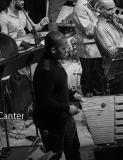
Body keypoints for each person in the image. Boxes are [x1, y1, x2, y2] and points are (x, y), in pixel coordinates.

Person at [33, 31, 82, 160]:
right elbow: (44, 100)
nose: (67, 51)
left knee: (73, 149)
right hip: (52, 123)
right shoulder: (45, 70)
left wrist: (72, 93)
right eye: (64, 49)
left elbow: (57, 86)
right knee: (55, 155)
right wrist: (67, 108)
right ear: (53, 49)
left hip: (64, 118)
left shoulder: (54, 61)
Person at [73, 0, 106, 96]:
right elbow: (89, 31)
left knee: (101, 82)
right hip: (89, 52)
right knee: (96, 86)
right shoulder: (80, 7)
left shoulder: (92, 2)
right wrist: (103, 19)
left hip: (97, 48)